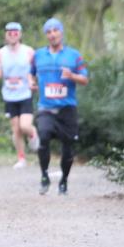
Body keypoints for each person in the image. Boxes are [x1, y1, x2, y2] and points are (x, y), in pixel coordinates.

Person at [29, 17, 88, 195]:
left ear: (61, 33)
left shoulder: (74, 55)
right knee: (43, 137)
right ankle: (44, 175)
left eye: (55, 31)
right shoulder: (38, 55)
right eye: (48, 32)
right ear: (46, 35)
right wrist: (31, 82)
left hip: (67, 108)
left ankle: (63, 182)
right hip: (46, 107)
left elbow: (84, 79)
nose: (52, 34)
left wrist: (72, 76)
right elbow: (30, 74)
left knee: (68, 147)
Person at [0, 21, 39, 168]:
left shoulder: (29, 51)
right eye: (10, 33)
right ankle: (21, 158)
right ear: (6, 35)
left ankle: (33, 134)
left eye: (15, 33)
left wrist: (32, 82)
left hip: (25, 94)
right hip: (9, 95)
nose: (12, 35)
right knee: (16, 129)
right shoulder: (1, 53)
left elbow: (35, 71)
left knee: (25, 126)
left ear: (20, 35)